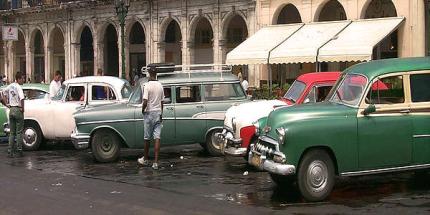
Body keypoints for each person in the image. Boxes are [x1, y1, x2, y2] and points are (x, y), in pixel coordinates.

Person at [137, 64, 164, 170]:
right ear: (156, 74)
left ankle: (145, 158)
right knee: (157, 137)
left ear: (149, 73)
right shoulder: (160, 85)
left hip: (149, 113)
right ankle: (156, 162)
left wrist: (142, 110)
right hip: (158, 112)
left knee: (147, 138)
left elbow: (145, 101)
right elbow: (162, 102)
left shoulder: (147, 86)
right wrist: (161, 113)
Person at [1, 72, 25, 158]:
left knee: (12, 132)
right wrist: (22, 108)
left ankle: (10, 151)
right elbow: (22, 98)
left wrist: (6, 103)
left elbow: (2, 93)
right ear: (18, 79)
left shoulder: (10, 86)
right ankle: (19, 150)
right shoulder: (19, 87)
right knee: (19, 132)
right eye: (22, 78)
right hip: (18, 109)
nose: (23, 80)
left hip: (11, 109)